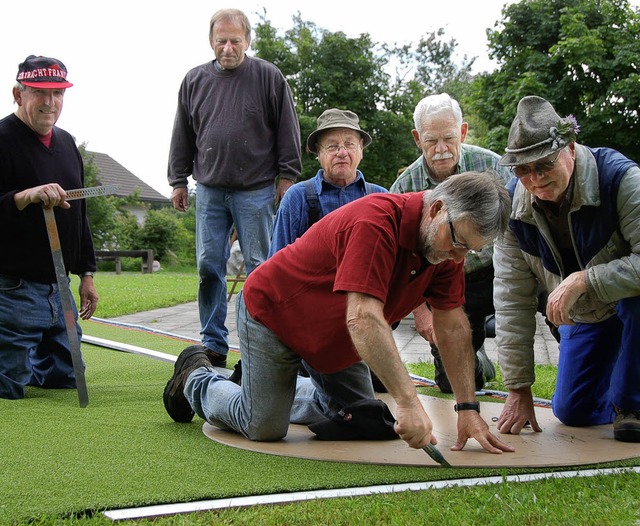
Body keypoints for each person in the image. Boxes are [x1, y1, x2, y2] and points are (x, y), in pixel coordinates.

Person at [164, 171, 516, 456]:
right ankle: (198, 378)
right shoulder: (376, 221)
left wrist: (467, 408)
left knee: (363, 417)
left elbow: (453, 327)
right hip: (274, 316)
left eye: (469, 251)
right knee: (264, 427)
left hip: (334, 337)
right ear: (437, 208)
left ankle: (264, 386)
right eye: (457, 243)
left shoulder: (445, 249)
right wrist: (409, 402)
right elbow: (363, 317)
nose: (458, 258)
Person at [494, 95, 640, 443]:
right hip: (589, 315)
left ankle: (632, 403)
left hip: (630, 302)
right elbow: (511, 300)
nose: (534, 179)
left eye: (544, 164)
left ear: (571, 148)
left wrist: (586, 279)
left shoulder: (622, 179)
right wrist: (518, 389)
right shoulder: (513, 211)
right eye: (522, 169)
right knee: (574, 411)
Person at [167, 8, 302, 369]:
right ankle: (213, 343)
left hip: (256, 189)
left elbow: (288, 128)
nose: (227, 48)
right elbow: (182, 133)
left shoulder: (269, 77)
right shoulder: (194, 80)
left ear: (248, 40)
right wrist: (178, 180)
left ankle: (260, 341)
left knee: (261, 268)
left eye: (235, 41)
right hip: (209, 189)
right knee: (209, 265)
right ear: (211, 41)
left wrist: (287, 177)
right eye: (221, 41)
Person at [390, 93, 513, 394]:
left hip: (498, 269)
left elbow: (519, 228)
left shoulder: (494, 167)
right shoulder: (403, 187)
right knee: (451, 382)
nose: (441, 149)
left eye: (449, 138)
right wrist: (421, 312)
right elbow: (402, 259)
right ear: (417, 138)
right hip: (447, 284)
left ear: (463, 131)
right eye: (431, 141)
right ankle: (478, 356)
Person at [0, 55, 98, 400]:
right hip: (11, 288)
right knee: (7, 387)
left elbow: (79, 213)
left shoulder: (68, 143)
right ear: (17, 94)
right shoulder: (2, 138)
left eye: (58, 93)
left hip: (60, 288)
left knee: (67, 378)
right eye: (40, 92)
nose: (50, 102)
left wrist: (86, 273)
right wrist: (21, 197)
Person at [268, 108, 387, 256]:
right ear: (319, 152)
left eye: (349, 144)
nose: (342, 153)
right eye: (332, 146)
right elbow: (276, 265)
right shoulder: (297, 198)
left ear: (361, 148)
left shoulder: (382, 199)